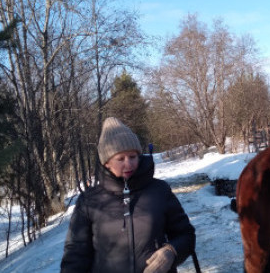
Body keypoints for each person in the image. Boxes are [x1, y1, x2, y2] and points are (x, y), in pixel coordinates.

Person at [61, 117, 196, 273]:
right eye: (120, 159)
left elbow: (186, 235)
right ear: (106, 162)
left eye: (133, 157)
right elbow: (76, 253)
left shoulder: (160, 190)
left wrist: (172, 251)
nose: (129, 164)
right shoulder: (90, 200)